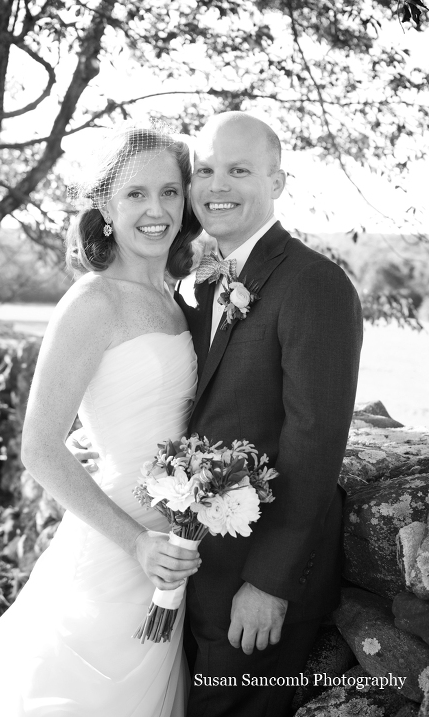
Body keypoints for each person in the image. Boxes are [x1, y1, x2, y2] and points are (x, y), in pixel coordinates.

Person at [0, 125, 202, 716]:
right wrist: (137, 543)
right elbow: (39, 448)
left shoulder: (176, 298)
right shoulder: (92, 302)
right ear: (106, 209)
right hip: (117, 547)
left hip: (172, 544)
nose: (156, 210)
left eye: (169, 192)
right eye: (136, 194)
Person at [177, 111, 363, 717]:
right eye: (205, 170)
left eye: (238, 170)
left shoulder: (314, 283)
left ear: (277, 182)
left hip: (255, 579)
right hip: (193, 563)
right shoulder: (198, 286)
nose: (216, 186)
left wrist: (269, 583)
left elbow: (315, 442)